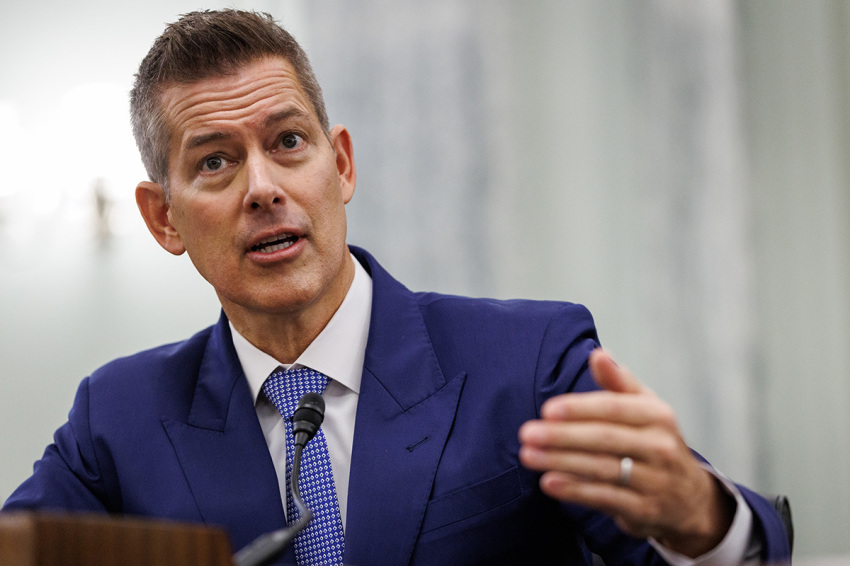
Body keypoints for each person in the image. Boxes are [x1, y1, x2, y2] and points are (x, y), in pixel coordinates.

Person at [3, 9, 790, 565]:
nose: (264, 187)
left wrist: (701, 520)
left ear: (340, 165)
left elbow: (687, 543)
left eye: (288, 142)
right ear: (163, 218)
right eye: (215, 161)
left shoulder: (526, 361)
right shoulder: (121, 416)